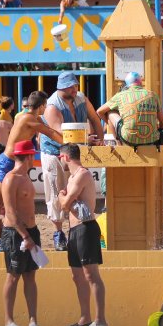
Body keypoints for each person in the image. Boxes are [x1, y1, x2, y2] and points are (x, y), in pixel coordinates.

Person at [41, 71, 104, 251]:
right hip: (55, 153)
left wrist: (99, 140)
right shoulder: (52, 106)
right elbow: (60, 134)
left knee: (76, 192)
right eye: (72, 87)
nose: (75, 89)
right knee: (56, 192)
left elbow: (95, 119)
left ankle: (73, 230)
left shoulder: (81, 98)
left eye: (76, 86)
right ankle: (58, 233)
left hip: (75, 151)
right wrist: (86, 140)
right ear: (63, 88)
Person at [56, 143, 108, 326]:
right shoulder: (72, 177)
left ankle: (100, 319)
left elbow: (64, 204)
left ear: (66, 157)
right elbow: (66, 202)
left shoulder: (82, 174)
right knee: (77, 276)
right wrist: (64, 198)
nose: (60, 161)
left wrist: (62, 197)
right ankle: (85, 317)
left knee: (91, 275)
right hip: (74, 229)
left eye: (60, 157)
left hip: (86, 228)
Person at [0, 91, 62, 212]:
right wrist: (71, 142)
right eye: (46, 105)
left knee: (12, 201)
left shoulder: (34, 117)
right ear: (41, 106)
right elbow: (51, 133)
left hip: (16, 163)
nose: (47, 108)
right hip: (7, 161)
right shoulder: (27, 118)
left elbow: (51, 130)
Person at [0, 140, 41, 326]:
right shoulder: (11, 179)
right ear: (29, 156)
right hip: (15, 234)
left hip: (31, 230)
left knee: (30, 276)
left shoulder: (25, 176)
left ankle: (33, 319)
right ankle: (8, 319)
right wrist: (25, 236)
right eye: (33, 156)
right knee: (13, 275)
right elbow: (10, 212)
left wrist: (31, 234)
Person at [97, 72, 163, 147]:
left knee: (110, 111)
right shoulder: (153, 95)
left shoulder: (120, 96)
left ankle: (118, 143)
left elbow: (99, 111)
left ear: (127, 84)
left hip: (128, 139)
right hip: (152, 140)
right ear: (141, 83)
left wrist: (111, 124)